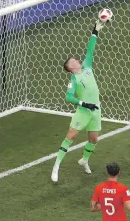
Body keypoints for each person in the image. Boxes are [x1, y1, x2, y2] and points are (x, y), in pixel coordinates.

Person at [51, 20, 104, 182]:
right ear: (70, 67)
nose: (76, 60)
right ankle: (56, 166)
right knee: (71, 136)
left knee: (94, 139)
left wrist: (95, 30)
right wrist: (83, 104)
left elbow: (90, 50)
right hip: (83, 111)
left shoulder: (87, 67)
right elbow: (68, 97)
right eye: (73, 60)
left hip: (96, 110)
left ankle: (84, 160)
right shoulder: (74, 79)